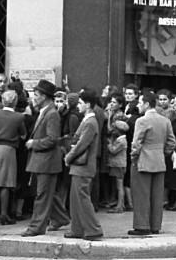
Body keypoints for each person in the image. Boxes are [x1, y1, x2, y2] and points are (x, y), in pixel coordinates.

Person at [22, 79, 69, 237]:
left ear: (44, 96)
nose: (33, 98)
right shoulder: (45, 111)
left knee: (42, 195)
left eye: (36, 95)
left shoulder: (52, 114)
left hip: (47, 161)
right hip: (41, 161)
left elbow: (52, 139)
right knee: (47, 193)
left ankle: (36, 227)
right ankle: (61, 218)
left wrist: (33, 143)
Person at [128, 92, 176, 236]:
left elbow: (136, 143)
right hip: (159, 161)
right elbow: (171, 142)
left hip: (143, 160)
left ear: (147, 104)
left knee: (141, 194)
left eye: (140, 102)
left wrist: (134, 157)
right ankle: (155, 225)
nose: (138, 105)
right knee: (157, 196)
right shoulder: (165, 121)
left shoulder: (142, 121)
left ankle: (142, 225)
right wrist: (163, 153)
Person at [62, 88, 103, 240]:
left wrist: (68, 157)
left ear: (88, 104)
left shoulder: (90, 122)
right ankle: (77, 229)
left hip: (84, 166)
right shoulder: (87, 120)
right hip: (79, 166)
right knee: (75, 199)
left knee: (82, 198)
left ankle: (93, 229)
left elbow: (81, 144)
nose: (78, 105)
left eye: (80, 103)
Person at [0, 90, 27, 225]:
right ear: (15, 102)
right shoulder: (19, 117)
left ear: (2, 101)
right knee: (6, 183)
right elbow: (23, 135)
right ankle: (3, 214)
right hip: (8, 150)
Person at [106, 118, 130, 212]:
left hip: (118, 165)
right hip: (118, 165)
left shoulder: (121, 141)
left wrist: (109, 143)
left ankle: (120, 206)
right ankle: (121, 204)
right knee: (119, 186)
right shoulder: (121, 140)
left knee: (119, 186)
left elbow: (113, 150)